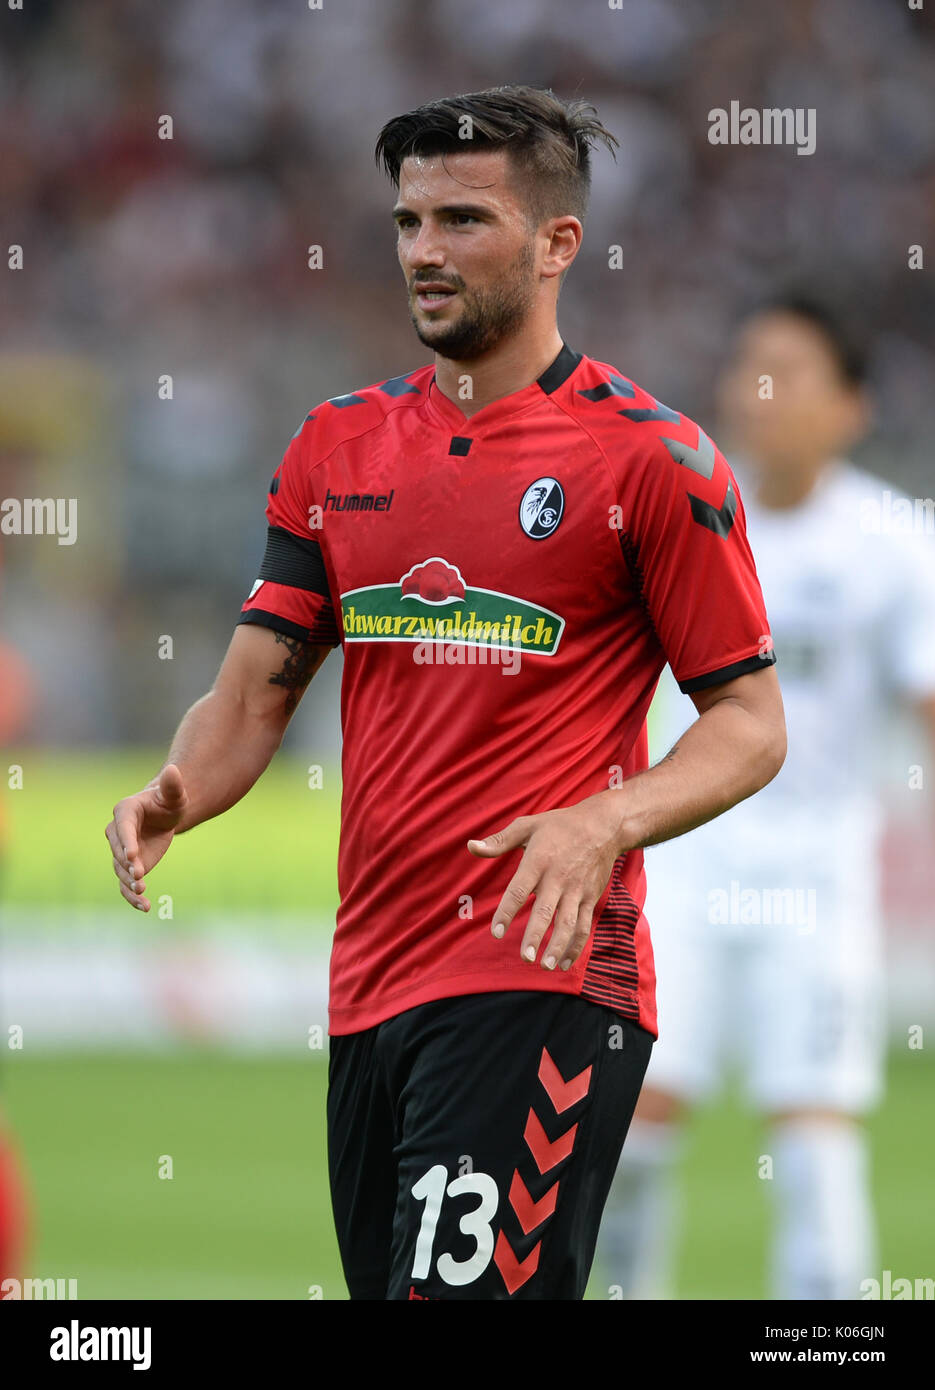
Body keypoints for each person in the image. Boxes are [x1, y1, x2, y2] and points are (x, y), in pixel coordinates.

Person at [105, 85, 785, 1301]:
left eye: (462, 219)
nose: (424, 250)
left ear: (556, 243)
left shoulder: (651, 459)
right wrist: (181, 787)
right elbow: (255, 690)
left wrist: (601, 820)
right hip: (370, 978)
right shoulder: (335, 448)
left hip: (542, 974)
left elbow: (747, 721)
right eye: (408, 221)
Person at [597, 297, 935, 1300]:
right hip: (673, 865)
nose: (759, 390)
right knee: (630, 1123)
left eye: (787, 369)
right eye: (747, 365)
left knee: (813, 1132)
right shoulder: (669, 515)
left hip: (820, 876)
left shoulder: (891, 542)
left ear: (849, 404)